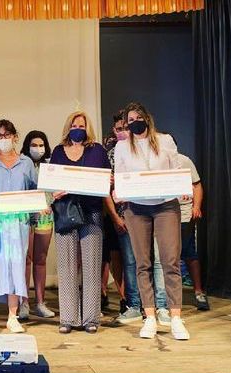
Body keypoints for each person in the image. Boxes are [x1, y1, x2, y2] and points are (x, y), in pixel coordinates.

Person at [114, 103, 190, 341]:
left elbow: (176, 169)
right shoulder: (122, 146)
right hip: (136, 208)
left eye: (138, 117)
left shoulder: (165, 141)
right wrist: (119, 192)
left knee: (170, 261)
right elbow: (120, 176)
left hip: (165, 205)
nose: (135, 122)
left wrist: (182, 188)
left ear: (147, 118)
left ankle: (175, 317)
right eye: (130, 120)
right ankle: (149, 317)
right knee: (142, 263)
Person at [50, 111, 111, 334]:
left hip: (91, 211)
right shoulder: (58, 151)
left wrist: (108, 180)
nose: (78, 129)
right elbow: (51, 181)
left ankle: (91, 319)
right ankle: (68, 318)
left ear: (87, 128)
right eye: (74, 125)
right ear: (68, 128)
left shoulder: (97, 151)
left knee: (92, 265)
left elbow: (107, 178)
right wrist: (54, 192)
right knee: (66, 265)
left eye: (82, 126)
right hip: (66, 212)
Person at [0, 120, 37, 334]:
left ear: (15, 137)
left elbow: (34, 191)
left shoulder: (26, 163)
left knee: (16, 268)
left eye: (7, 135)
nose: (3, 139)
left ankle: (13, 316)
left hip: (18, 224)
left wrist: (40, 208)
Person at [105, 112, 144, 325]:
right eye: (119, 129)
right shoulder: (110, 155)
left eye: (126, 128)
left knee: (147, 261)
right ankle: (133, 304)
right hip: (122, 216)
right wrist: (115, 217)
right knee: (129, 261)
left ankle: (152, 304)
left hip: (145, 213)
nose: (123, 132)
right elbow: (105, 190)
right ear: (114, 131)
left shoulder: (144, 149)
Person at [19, 130, 55, 319]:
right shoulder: (22, 164)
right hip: (26, 216)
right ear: (27, 146)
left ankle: (40, 302)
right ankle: (23, 302)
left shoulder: (50, 166)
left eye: (41, 145)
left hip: (45, 216)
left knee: (40, 259)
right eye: (34, 145)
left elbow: (55, 190)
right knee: (26, 259)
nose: (38, 148)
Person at [175, 148, 208, 310]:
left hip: (184, 213)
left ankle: (198, 292)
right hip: (164, 214)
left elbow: (197, 185)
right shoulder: (156, 162)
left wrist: (196, 206)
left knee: (189, 252)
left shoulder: (184, 161)